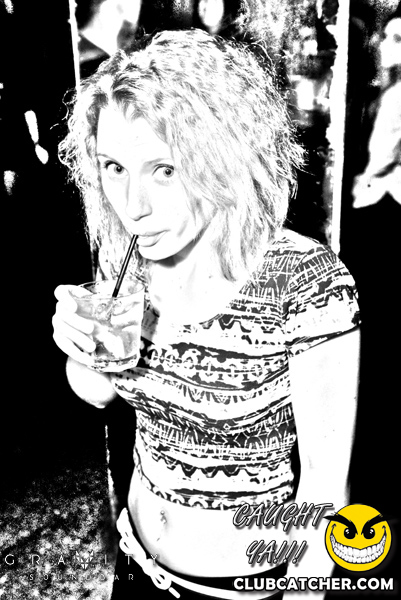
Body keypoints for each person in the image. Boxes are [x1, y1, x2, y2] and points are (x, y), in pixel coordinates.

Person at [52, 29, 360, 600]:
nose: (134, 206)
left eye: (165, 170)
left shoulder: (304, 281)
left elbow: (324, 489)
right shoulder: (129, 255)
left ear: (225, 158)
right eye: (114, 167)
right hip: (135, 561)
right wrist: (81, 343)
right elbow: (96, 393)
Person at [351, 5, 401, 209]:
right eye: (385, 36)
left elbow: (380, 167)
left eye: (398, 39)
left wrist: (370, 186)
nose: (384, 44)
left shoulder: (395, 97)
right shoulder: (392, 91)